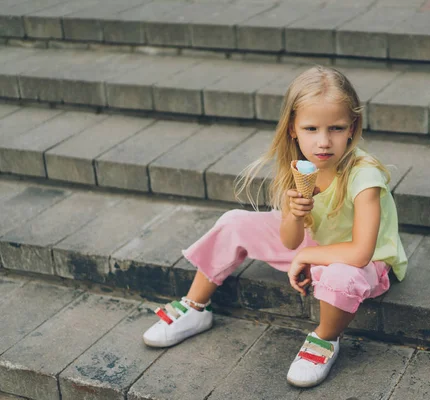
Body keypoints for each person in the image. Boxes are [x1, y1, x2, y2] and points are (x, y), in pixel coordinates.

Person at [142, 66, 408, 388]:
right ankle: (195, 306)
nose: (323, 142)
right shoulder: (299, 167)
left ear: (352, 128)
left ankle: (325, 338)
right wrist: (294, 216)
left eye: (336, 128)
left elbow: (362, 252)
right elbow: (290, 239)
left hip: (368, 261)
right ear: (293, 129)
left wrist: (307, 258)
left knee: (339, 274)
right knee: (234, 222)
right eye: (311, 128)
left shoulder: (363, 176)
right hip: (317, 244)